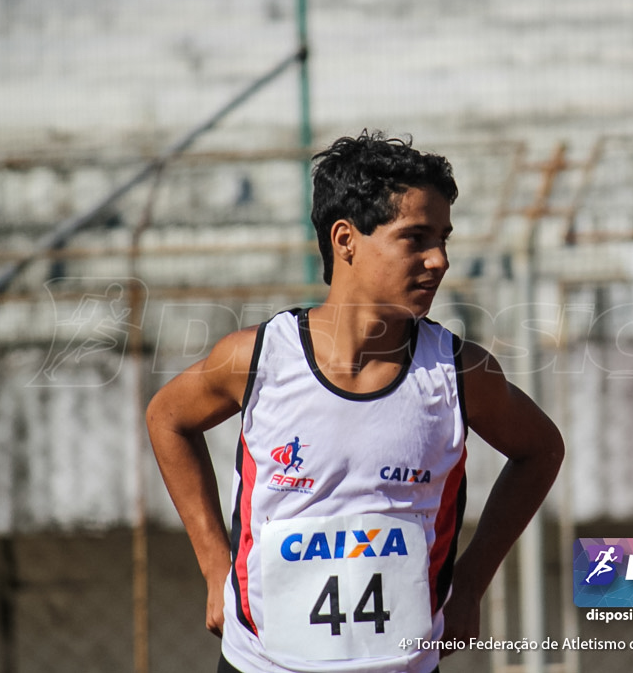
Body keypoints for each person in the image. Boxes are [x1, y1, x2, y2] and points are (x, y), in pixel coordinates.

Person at [146, 131, 564, 673]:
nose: (438, 260)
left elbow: (541, 450)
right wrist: (212, 567)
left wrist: (470, 586)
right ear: (345, 240)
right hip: (262, 663)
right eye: (416, 238)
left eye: (445, 239)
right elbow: (167, 418)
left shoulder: (459, 372)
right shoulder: (256, 359)